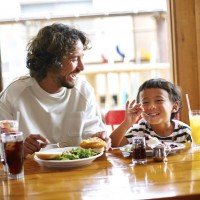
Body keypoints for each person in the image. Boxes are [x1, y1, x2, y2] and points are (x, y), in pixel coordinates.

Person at [0, 23, 111, 157]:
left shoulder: (83, 90)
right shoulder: (13, 94)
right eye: (74, 59)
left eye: (82, 58)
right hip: (32, 175)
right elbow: (3, 149)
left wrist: (100, 138)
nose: (81, 67)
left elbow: (93, 135)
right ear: (51, 61)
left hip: (78, 173)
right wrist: (20, 150)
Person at [110, 78, 192, 147]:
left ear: (174, 106)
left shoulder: (184, 132)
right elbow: (111, 145)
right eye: (145, 102)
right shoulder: (139, 131)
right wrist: (127, 123)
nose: (151, 106)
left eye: (159, 100)